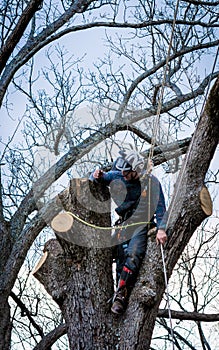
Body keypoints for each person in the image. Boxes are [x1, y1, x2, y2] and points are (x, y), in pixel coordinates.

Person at [89, 150, 167, 315]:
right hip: (124, 224)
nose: (123, 175)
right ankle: (118, 296)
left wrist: (161, 229)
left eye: (127, 172)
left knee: (134, 254)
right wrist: (96, 175)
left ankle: (122, 293)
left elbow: (160, 208)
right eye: (122, 172)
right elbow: (99, 178)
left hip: (141, 224)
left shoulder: (151, 182)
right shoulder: (118, 176)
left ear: (137, 170)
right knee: (121, 258)